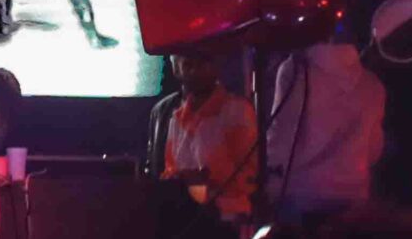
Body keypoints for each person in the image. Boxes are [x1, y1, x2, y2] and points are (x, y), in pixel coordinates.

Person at [263, 37, 386, 220]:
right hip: (354, 198)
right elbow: (374, 150)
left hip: (301, 195)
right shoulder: (372, 84)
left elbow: (281, 139)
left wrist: (269, 186)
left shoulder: (295, 71)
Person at [147, 51, 259, 220]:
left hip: (228, 221)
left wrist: (205, 184)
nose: (195, 71)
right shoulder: (172, 115)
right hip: (184, 219)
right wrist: (180, 180)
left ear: (217, 64)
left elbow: (250, 179)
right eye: (188, 64)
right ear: (175, 68)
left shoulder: (237, 111)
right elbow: (166, 173)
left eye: (202, 62)